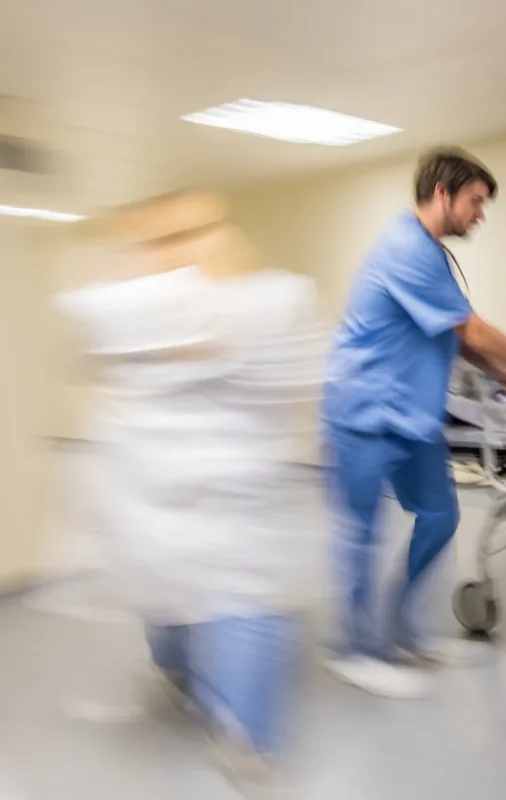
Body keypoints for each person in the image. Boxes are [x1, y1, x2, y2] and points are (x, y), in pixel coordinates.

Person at [53, 190, 324, 785]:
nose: (172, 252)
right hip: (159, 490)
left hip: (228, 490)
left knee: (236, 603)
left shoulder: (266, 299)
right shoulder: (137, 304)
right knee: (183, 599)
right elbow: (97, 346)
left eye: (189, 233)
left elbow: (295, 374)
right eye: (157, 240)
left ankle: (245, 732)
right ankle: (213, 705)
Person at [321, 147, 506, 699]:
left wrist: (498, 370)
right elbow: (468, 327)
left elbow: (447, 330)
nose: (480, 214)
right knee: (362, 535)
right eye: (475, 201)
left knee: (440, 518)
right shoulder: (405, 247)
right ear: (442, 194)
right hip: (364, 413)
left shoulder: (432, 253)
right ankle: (353, 649)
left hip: (413, 415)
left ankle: (403, 629)